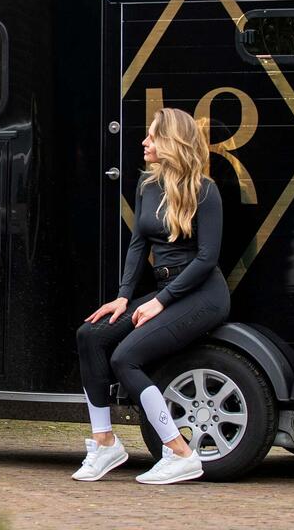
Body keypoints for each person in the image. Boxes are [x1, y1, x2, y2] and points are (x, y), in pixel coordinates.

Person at [73, 107, 230, 485]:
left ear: (173, 143)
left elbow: (207, 258)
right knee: (90, 336)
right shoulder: (148, 185)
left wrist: (161, 301)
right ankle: (105, 442)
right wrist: (124, 297)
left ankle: (179, 452)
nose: (144, 142)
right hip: (164, 289)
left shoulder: (205, 191)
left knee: (126, 357)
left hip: (202, 293)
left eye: (153, 136)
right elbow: (137, 244)